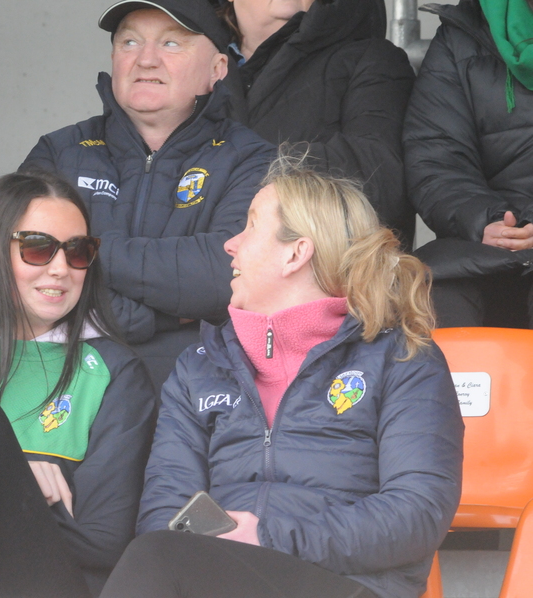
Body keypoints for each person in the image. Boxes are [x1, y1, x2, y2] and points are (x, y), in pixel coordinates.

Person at [101, 154, 464, 598]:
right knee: (151, 550)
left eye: (251, 226)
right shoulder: (199, 366)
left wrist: (268, 537)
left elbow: (417, 513)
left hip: (348, 585)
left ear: (296, 253)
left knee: (157, 556)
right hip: (222, 580)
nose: (230, 244)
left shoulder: (403, 358)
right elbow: (165, 512)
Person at [21, 0, 276, 389]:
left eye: (171, 43)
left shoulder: (252, 159)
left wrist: (82, 251)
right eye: (130, 42)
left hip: (195, 389)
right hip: (58, 385)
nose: (146, 60)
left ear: (218, 69)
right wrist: (155, 316)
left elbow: (224, 275)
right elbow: (19, 266)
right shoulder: (58, 152)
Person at [0, 171, 157, 597]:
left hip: (50, 583)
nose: (61, 269)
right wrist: (17, 474)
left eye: (78, 251)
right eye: (38, 248)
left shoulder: (115, 371)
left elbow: (103, 542)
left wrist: (10, 479)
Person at [214, 0, 416, 248]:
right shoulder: (187, 62)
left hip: (324, 266)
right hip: (203, 262)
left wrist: (235, 165)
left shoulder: (372, 59)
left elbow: (381, 182)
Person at [404, 0, 533, 328]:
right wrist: (487, 222)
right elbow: (436, 158)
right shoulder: (461, 34)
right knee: (431, 302)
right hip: (490, 241)